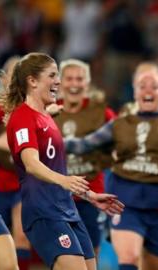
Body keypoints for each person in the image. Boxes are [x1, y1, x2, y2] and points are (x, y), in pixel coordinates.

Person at [2, 52, 124, 270]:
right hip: (43, 212)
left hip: (67, 209)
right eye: (52, 75)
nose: (58, 81)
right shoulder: (22, 118)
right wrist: (65, 181)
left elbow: (54, 167)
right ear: (32, 81)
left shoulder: (46, 117)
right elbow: (31, 164)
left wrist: (90, 196)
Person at [65, 62, 158, 270]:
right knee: (129, 258)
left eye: (154, 86)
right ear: (135, 90)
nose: (148, 90)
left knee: (154, 266)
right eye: (143, 85)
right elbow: (83, 145)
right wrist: (44, 134)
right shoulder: (119, 125)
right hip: (126, 205)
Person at [53, 58, 117, 257]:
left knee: (90, 251)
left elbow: (121, 139)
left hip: (91, 193)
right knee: (61, 253)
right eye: (69, 79)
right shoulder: (48, 110)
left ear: (87, 83)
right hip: (56, 195)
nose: (74, 84)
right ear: (60, 83)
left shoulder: (101, 112)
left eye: (79, 79)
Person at [0, 55, 33, 270]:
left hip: (21, 186)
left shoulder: (33, 108)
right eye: (13, 75)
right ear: (3, 78)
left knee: (21, 237)